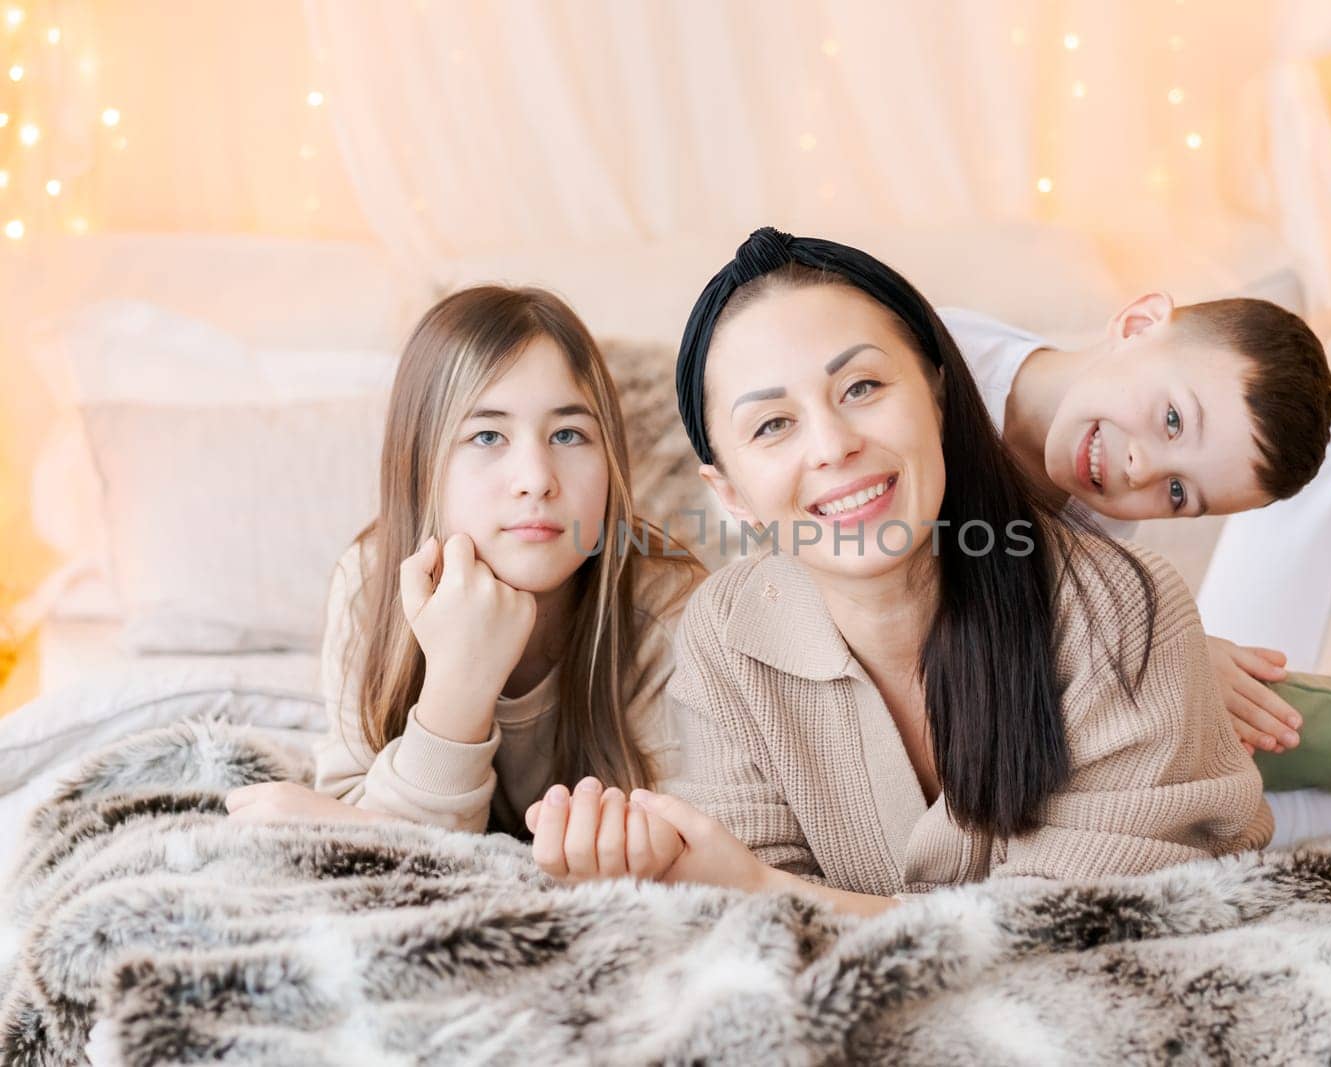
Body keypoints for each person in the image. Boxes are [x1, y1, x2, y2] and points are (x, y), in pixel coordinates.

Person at [526, 228, 1275, 913]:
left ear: (939, 398)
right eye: (772, 424)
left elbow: (1064, 934)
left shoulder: (1123, 610)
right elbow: (741, 902)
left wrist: (761, 887)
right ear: (730, 494)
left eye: (861, 388)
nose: (831, 445)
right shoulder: (724, 629)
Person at [941, 214, 1331, 842]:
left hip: (1118, 753)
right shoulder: (928, 381)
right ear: (1137, 324)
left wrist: (1165, 649)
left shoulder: (1098, 500)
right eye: (1172, 419)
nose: (1142, 470)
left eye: (1176, 494)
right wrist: (1167, 650)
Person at [226, 286, 703, 879]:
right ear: (422, 464)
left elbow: (678, 851)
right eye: (486, 436)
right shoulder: (370, 583)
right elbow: (359, 838)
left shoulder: (670, 613)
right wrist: (461, 683)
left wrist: (375, 826)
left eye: (567, 435)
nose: (535, 480)